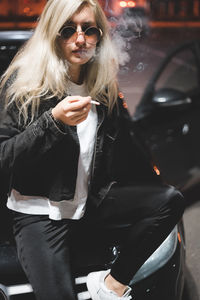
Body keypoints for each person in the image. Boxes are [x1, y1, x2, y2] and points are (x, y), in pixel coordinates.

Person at [0, 0, 185, 300]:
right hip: (40, 215)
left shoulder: (101, 87)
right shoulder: (23, 86)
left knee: (170, 200)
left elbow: (125, 157)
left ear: (99, 36)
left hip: (90, 204)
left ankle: (110, 286)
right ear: (52, 33)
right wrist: (53, 121)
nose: (80, 38)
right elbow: (4, 158)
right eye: (68, 30)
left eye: (90, 30)